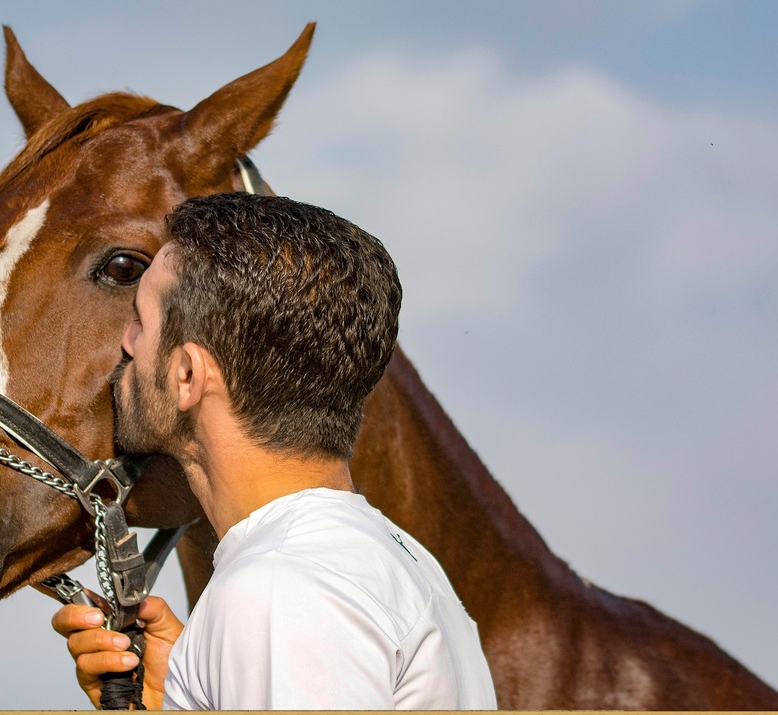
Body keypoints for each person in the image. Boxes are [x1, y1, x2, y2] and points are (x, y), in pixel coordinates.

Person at [51, 192, 497, 710]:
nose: (126, 343)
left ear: (187, 376)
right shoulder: (395, 561)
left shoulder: (281, 590)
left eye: (142, 324)